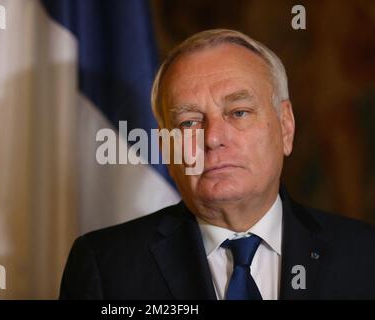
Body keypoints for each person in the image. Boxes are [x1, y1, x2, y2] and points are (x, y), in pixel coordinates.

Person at [59, 29, 375, 299]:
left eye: (238, 112)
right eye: (188, 122)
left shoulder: (364, 255)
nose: (212, 139)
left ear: (286, 126)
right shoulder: (106, 267)